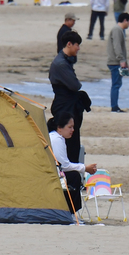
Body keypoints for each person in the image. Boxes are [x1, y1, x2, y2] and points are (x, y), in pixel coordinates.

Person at [50, 31, 86, 174]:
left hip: (66, 103)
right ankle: (70, 175)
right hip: (65, 106)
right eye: (77, 45)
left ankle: (71, 171)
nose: (78, 48)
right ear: (69, 44)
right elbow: (75, 85)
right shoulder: (61, 63)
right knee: (69, 141)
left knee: (71, 140)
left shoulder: (64, 61)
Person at [48, 114, 96, 219]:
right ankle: (70, 212)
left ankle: (72, 212)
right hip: (51, 174)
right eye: (69, 127)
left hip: (52, 172)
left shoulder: (56, 137)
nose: (72, 130)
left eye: (73, 127)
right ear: (59, 128)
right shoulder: (56, 139)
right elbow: (64, 166)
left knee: (73, 176)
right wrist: (85, 168)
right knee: (74, 177)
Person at [106, 13, 129, 113]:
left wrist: (125, 61)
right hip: (115, 62)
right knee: (116, 84)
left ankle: (115, 106)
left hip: (116, 61)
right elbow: (117, 46)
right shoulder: (117, 30)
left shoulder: (119, 30)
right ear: (125, 20)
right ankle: (114, 107)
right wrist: (121, 60)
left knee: (117, 84)